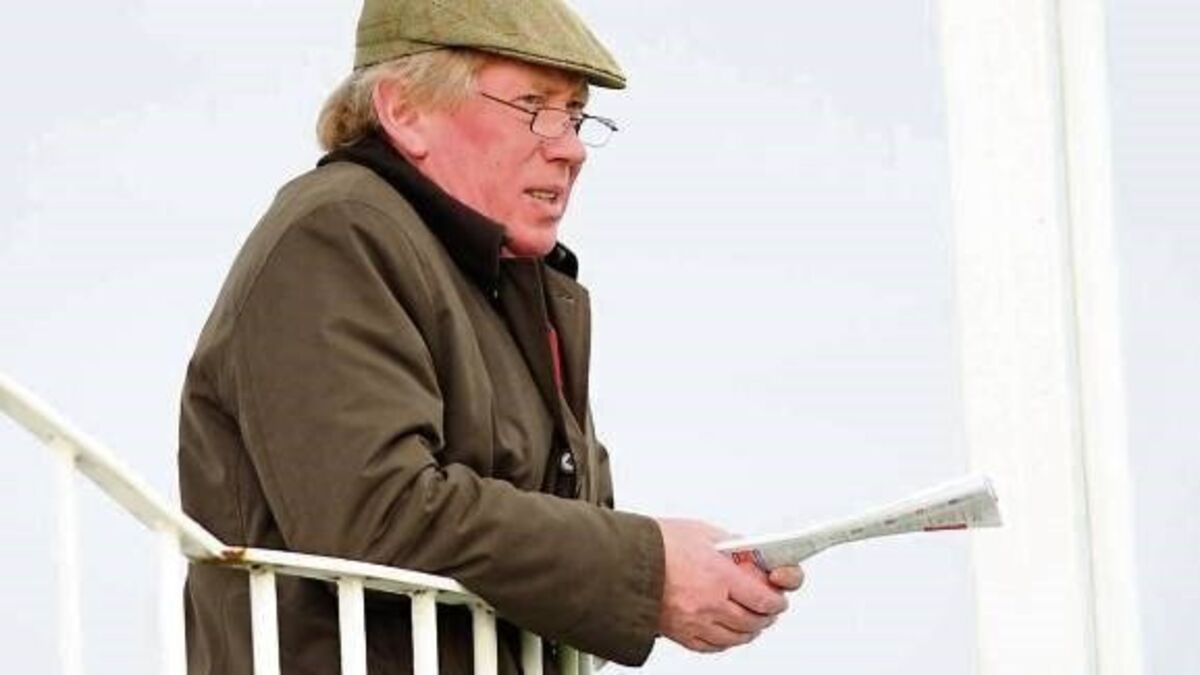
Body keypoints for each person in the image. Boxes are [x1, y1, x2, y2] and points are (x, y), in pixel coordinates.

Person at [178, 1, 803, 673]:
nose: (570, 147)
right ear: (405, 111)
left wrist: (691, 570)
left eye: (575, 113)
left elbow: (545, 535)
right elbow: (375, 512)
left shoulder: (501, 280)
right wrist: (650, 571)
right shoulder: (337, 232)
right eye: (534, 105)